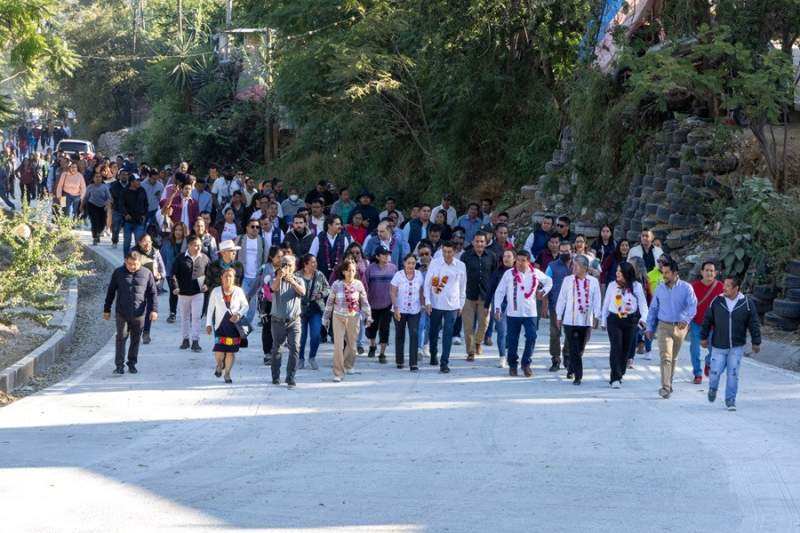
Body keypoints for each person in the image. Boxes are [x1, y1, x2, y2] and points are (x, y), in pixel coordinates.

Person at [701, 275, 761, 411]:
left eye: (728, 285)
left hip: (737, 346)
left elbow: (754, 323)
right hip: (718, 345)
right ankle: (713, 388)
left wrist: (756, 341)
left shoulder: (746, 303)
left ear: (736, 288)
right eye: (724, 285)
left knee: (733, 373)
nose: (724, 288)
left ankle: (730, 400)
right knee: (715, 372)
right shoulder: (717, 301)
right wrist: (703, 337)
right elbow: (707, 319)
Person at [492, 250, 552, 377]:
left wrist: (543, 291)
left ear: (528, 261)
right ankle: (513, 365)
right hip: (513, 312)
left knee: (532, 337)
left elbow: (549, 281)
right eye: (518, 260)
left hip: (530, 312)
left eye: (523, 260)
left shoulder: (535, 273)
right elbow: (499, 292)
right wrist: (497, 308)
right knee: (512, 340)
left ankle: (526, 364)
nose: (519, 263)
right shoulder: (509, 274)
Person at [646, 257, 698, 399]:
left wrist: (686, 319)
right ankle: (665, 387)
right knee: (666, 357)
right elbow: (653, 308)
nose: (664, 275)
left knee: (673, 357)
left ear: (675, 273)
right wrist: (650, 327)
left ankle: (669, 381)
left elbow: (692, 306)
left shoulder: (686, 288)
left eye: (667, 273)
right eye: (663, 272)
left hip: (680, 327)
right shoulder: (660, 288)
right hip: (663, 326)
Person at [103, 251, 158, 375]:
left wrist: (154, 310)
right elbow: (111, 291)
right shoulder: (118, 272)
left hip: (139, 313)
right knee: (121, 337)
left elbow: (153, 293)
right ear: (125, 262)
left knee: (135, 339)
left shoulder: (147, 273)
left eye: (135, 264)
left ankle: (132, 364)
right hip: (122, 312)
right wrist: (107, 309)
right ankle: (119, 366)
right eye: (129, 264)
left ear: (140, 263)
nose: (132, 267)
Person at [554, 256, 602, 385]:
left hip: (585, 322)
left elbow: (597, 300)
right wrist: (559, 316)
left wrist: (597, 316)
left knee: (580, 348)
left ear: (585, 268)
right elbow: (562, 299)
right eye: (573, 265)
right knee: (573, 347)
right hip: (570, 321)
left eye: (576, 266)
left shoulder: (593, 282)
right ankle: (578, 376)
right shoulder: (567, 280)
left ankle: (571, 367)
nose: (573, 268)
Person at [322, 259, 372, 382]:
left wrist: (368, 316)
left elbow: (364, 302)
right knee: (338, 346)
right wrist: (325, 317)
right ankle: (338, 372)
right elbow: (330, 302)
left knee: (352, 344)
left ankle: (348, 365)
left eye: (353, 271)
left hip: (354, 317)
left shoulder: (359, 285)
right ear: (343, 271)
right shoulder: (336, 284)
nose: (351, 273)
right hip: (338, 316)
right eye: (348, 270)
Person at [601, 262, 649, 388]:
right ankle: (614, 377)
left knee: (626, 349)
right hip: (614, 319)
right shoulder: (612, 285)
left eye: (620, 271)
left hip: (630, 320)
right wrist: (603, 321)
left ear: (627, 273)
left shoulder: (636, 286)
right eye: (617, 271)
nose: (617, 273)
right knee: (616, 347)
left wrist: (644, 318)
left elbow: (643, 304)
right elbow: (606, 303)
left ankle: (620, 371)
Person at [424, 241, 467, 373]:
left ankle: (444, 362)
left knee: (448, 333)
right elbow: (427, 283)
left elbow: (462, 286)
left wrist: (461, 304)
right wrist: (427, 301)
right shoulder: (435, 263)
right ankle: (433, 353)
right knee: (433, 331)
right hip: (436, 303)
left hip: (452, 305)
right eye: (444, 252)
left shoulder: (460, 266)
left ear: (454, 252)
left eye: (449, 252)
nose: (447, 254)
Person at [268, 254, 306, 389]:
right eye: (284, 264)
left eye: (290, 265)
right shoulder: (276, 279)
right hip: (278, 321)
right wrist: (280, 277)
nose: (287, 267)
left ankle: (291, 377)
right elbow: (273, 288)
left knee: (295, 348)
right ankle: (275, 376)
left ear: (294, 267)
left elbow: (302, 293)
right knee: (277, 349)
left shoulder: (299, 280)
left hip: (294, 320)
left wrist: (292, 281)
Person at [206, 268, 249, 384]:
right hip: (220, 326)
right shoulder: (215, 291)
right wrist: (208, 324)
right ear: (221, 278)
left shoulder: (239, 291)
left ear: (234, 278)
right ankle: (219, 365)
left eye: (230, 276)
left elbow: (246, 306)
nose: (228, 278)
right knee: (219, 348)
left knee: (230, 351)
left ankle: (227, 373)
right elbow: (210, 309)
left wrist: (239, 314)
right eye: (225, 276)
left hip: (233, 326)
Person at [460, 231, 497, 361]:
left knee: (484, 323)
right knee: (468, 326)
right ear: (473, 242)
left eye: (482, 241)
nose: (479, 244)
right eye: (477, 241)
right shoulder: (465, 256)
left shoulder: (492, 256)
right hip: (468, 295)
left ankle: (478, 342)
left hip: (485, 296)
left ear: (486, 243)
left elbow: (495, 275)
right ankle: (470, 351)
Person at [172, 235, 210, 352]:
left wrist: (206, 285)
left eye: (199, 245)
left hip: (198, 293)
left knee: (196, 317)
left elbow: (209, 275)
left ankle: (195, 341)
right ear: (189, 245)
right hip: (183, 293)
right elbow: (173, 274)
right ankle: (185, 339)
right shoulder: (180, 258)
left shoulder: (205, 258)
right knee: (184, 317)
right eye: (195, 245)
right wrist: (176, 287)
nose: (198, 247)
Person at [690, 261, 724, 382]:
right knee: (695, 349)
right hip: (696, 323)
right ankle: (697, 374)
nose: (709, 273)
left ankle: (708, 363)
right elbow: (688, 304)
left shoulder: (721, 287)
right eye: (707, 270)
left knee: (714, 351)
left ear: (715, 273)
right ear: (702, 272)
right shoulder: (693, 287)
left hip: (713, 326)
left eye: (711, 270)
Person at [390, 253, 424, 371]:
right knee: (400, 334)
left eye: (413, 263)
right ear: (404, 263)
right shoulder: (398, 275)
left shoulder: (419, 275)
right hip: (400, 309)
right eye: (408, 263)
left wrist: (423, 304)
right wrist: (396, 308)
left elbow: (421, 291)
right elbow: (393, 292)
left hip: (415, 309)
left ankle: (413, 363)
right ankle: (399, 361)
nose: (411, 265)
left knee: (414, 334)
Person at [365, 246, 398, 362]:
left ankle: (382, 353)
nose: (386, 256)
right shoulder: (370, 269)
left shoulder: (393, 268)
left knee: (385, 328)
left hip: (387, 303)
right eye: (383, 254)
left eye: (387, 254)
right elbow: (365, 285)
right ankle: (372, 346)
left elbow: (397, 285)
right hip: (372, 303)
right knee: (371, 328)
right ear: (377, 256)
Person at [544, 241, 573, 372]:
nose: (564, 254)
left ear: (572, 251)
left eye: (567, 251)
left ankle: (567, 355)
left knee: (570, 334)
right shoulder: (551, 266)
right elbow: (544, 286)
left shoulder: (578, 265)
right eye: (562, 251)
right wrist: (544, 306)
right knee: (555, 333)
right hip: (555, 305)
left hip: (573, 307)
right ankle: (555, 359)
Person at [297, 254, 330, 370]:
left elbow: (328, 289)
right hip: (300, 310)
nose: (315, 264)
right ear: (305, 264)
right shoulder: (297, 275)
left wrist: (321, 294)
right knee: (301, 336)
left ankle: (312, 357)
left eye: (315, 262)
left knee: (315, 335)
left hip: (315, 309)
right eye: (312, 262)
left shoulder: (319, 275)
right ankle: (300, 358)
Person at [133, 234, 166, 345]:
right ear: (139, 242)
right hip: (137, 286)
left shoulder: (156, 252)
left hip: (152, 286)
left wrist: (159, 276)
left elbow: (163, 270)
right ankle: (136, 331)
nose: (147, 244)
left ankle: (146, 332)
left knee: (150, 310)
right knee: (138, 310)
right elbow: (127, 268)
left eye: (149, 241)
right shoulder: (133, 253)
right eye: (144, 241)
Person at [485, 249, 515, 368]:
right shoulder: (497, 272)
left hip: (515, 305)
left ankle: (511, 354)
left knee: (511, 333)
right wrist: (487, 305)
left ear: (514, 259)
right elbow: (491, 289)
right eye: (504, 256)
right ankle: (502, 356)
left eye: (509, 256)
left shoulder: (518, 272)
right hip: (500, 304)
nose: (506, 258)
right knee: (501, 331)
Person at [236, 218, 267, 326]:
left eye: (257, 227)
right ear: (247, 228)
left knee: (252, 303)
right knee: (242, 301)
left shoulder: (262, 241)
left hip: (256, 277)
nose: (255, 229)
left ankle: (246, 324)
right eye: (252, 226)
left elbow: (266, 259)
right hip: (242, 276)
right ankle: (241, 323)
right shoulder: (240, 239)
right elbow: (233, 257)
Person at [309, 215, 351, 281]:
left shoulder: (344, 239)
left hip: (339, 276)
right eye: (337, 224)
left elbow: (348, 257)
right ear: (329, 225)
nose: (340, 226)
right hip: (321, 276)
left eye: (340, 224)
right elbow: (311, 257)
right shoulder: (319, 238)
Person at [161, 222, 188, 323]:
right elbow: (162, 256)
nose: (178, 232)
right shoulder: (167, 242)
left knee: (185, 292)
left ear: (184, 231)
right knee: (174, 291)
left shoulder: (187, 242)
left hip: (184, 271)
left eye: (180, 230)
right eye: (176, 230)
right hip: (170, 271)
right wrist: (162, 271)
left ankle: (187, 313)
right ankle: (172, 313)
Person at [120, 175, 149, 256]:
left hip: (139, 221)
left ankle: (139, 260)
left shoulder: (142, 190)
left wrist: (144, 215)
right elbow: (121, 205)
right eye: (137, 181)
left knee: (139, 242)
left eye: (140, 180)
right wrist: (125, 214)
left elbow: (146, 204)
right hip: (128, 221)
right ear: (132, 182)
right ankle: (126, 259)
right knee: (127, 242)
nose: (139, 182)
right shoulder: (124, 191)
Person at [82, 171, 111, 245]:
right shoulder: (90, 187)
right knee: (94, 221)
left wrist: (107, 205)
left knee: (102, 223)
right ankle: (95, 237)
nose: (98, 178)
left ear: (101, 179)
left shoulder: (105, 187)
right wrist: (81, 205)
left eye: (99, 177)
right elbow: (86, 197)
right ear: (93, 178)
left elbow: (109, 198)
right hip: (92, 205)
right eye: (96, 177)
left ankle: (98, 233)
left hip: (102, 207)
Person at [108, 170, 129, 248]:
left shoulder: (130, 185)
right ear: (119, 176)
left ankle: (126, 243)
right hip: (117, 209)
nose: (124, 176)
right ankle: (114, 241)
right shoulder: (114, 185)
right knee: (116, 227)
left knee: (127, 228)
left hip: (128, 210)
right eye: (123, 175)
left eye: (126, 175)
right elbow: (112, 196)